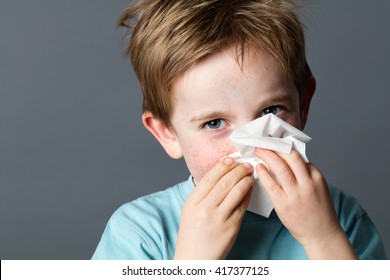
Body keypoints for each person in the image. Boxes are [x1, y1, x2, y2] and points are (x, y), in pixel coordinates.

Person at [92, 0, 387, 259]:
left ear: (303, 104)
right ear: (167, 132)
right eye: (214, 123)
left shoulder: (341, 217)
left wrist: (323, 238)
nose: (251, 144)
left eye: (270, 111)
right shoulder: (140, 233)